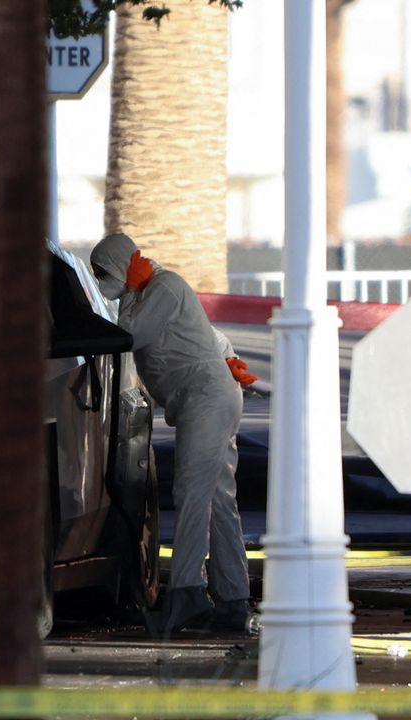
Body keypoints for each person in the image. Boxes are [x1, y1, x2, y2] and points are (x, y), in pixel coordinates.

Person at [90, 233, 258, 634]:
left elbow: (129, 335)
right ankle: (233, 600)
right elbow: (207, 333)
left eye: (103, 272)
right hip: (207, 400)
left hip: (207, 400)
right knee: (218, 500)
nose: (101, 281)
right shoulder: (153, 291)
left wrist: (131, 294)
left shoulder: (164, 286)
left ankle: (187, 594)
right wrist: (226, 356)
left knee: (192, 494)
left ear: (120, 265)